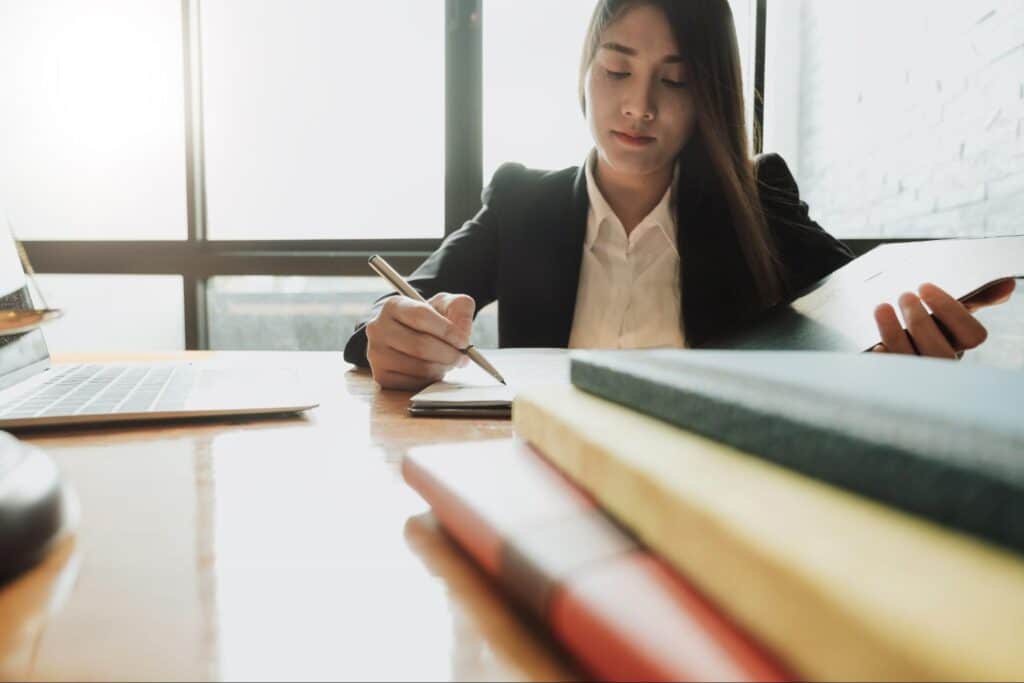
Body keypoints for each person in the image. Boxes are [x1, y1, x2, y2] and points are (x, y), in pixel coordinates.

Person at [344, 0, 1015, 391]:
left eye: (676, 80)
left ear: (710, 97)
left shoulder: (756, 199)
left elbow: (856, 306)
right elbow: (393, 303)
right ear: (586, 71)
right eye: (616, 69)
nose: (638, 106)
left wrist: (903, 351)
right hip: (542, 481)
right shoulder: (522, 200)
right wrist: (389, 334)